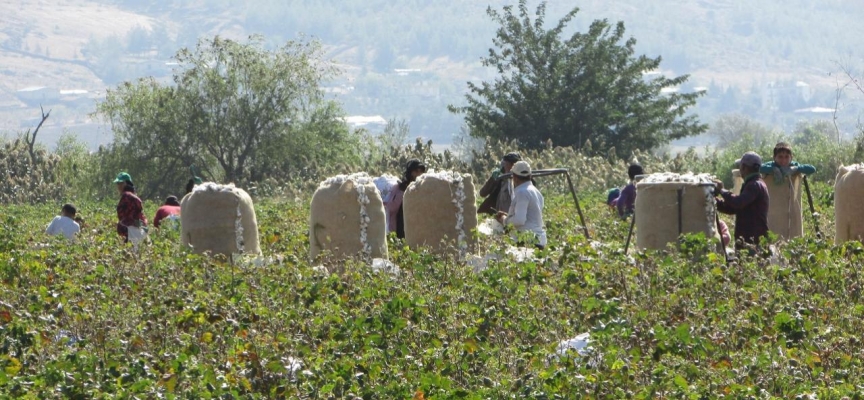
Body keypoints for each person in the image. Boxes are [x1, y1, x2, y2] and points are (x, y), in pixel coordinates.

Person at [713, 152, 770, 250]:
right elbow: (734, 208)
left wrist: (722, 190)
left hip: (752, 240)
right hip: (750, 239)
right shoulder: (755, 184)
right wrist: (714, 202)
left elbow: (738, 203)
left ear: (744, 167)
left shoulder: (754, 185)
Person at [496, 160, 547, 249]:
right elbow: (530, 217)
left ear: (514, 177)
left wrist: (504, 220)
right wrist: (509, 216)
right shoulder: (536, 192)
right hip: (539, 241)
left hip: (527, 243)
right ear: (530, 176)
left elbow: (520, 220)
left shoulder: (522, 193)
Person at [384, 159, 426, 239]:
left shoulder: (422, 188)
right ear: (411, 172)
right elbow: (393, 207)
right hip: (402, 224)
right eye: (416, 171)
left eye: (421, 171)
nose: (419, 174)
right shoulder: (402, 188)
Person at [113, 172, 148, 243]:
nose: (119, 186)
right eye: (118, 183)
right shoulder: (134, 195)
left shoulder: (126, 196)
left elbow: (124, 218)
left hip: (132, 232)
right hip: (140, 230)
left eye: (121, 183)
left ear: (127, 183)